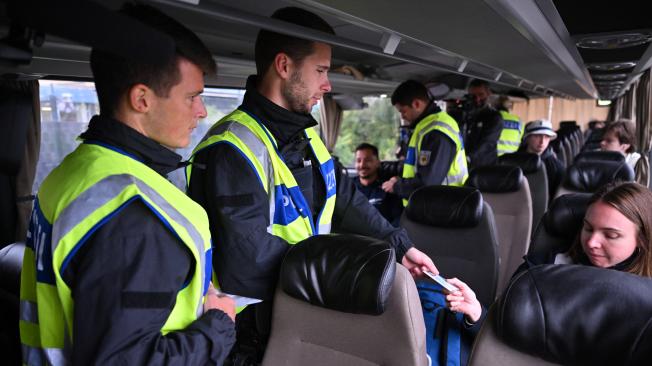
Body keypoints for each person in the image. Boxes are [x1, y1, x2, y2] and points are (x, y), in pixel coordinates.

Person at [186, 6, 437, 360]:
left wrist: (399, 246)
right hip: (254, 333)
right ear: (284, 66)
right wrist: (348, 272)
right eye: (320, 71)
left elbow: (346, 198)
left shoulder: (306, 136)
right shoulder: (231, 148)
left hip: (305, 306)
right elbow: (246, 259)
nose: (328, 84)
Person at [19, 4, 236, 365]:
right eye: (192, 96)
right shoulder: (137, 212)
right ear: (142, 100)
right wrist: (219, 327)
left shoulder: (73, 172)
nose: (200, 111)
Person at [518, 182, 652, 278]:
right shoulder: (543, 267)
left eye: (611, 235)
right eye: (588, 228)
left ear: (642, 239)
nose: (591, 243)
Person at [382, 80, 468, 205]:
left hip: (443, 207)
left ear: (416, 104)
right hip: (433, 206)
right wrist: (401, 180)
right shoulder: (425, 127)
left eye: (403, 111)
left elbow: (428, 183)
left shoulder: (436, 131)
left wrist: (397, 186)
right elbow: (419, 169)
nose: (402, 116)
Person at [353, 143, 403, 226]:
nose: (362, 165)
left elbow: (397, 220)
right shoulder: (348, 187)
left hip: (380, 237)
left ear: (377, 163)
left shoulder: (389, 188)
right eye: (358, 161)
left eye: (367, 160)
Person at [518, 119, 565, 199]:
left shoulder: (557, 167)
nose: (542, 141)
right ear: (528, 137)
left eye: (547, 137)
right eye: (537, 136)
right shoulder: (511, 160)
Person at [463, 79, 504, 167]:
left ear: (489, 94)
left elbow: (488, 142)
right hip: (466, 164)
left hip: (485, 167)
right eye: (473, 96)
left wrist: (468, 157)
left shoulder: (494, 117)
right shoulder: (467, 115)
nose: (477, 99)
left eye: (481, 95)